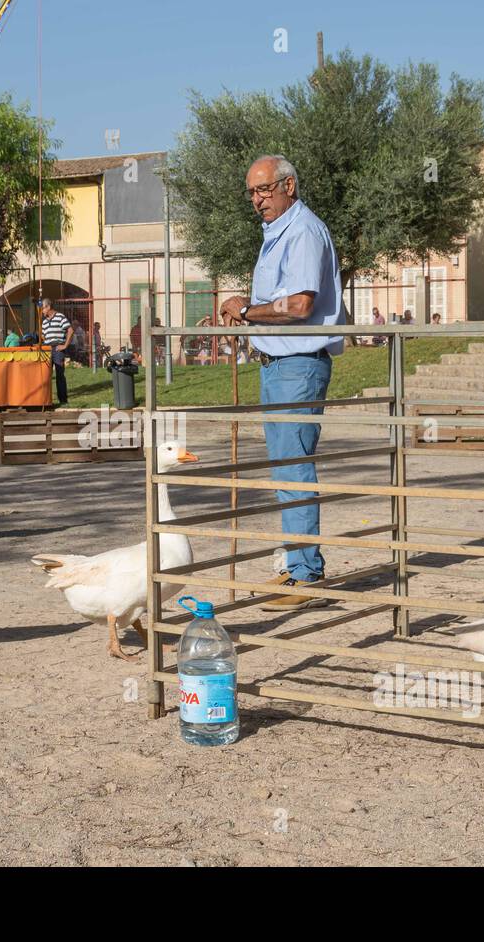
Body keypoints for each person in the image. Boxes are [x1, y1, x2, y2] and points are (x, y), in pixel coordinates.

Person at [220, 155, 344, 611]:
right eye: (252, 193)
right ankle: (298, 566)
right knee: (285, 469)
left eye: (264, 190)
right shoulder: (277, 235)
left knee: (293, 468)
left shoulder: (304, 231)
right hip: (277, 363)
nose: (257, 201)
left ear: (288, 186)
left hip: (298, 364)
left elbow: (299, 306)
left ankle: (306, 575)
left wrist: (248, 311)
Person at [38, 298, 72, 405]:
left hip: (58, 348)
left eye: (43, 308)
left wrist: (65, 345)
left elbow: (70, 330)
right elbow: (44, 335)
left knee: (59, 374)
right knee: (46, 375)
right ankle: (46, 400)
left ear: (48, 307)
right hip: (47, 349)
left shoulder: (60, 317)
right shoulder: (44, 322)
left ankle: (63, 400)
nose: (42, 311)